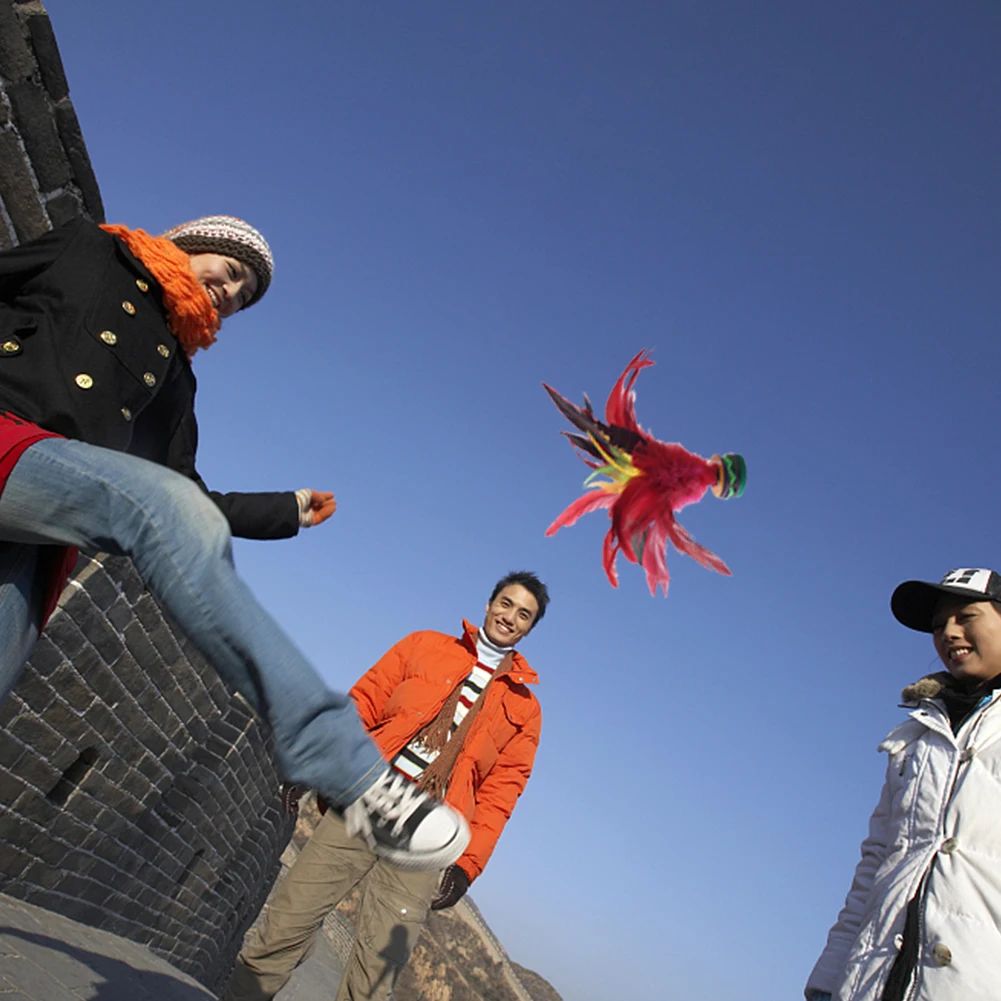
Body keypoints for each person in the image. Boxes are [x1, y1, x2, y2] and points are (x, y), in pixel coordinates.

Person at [0, 214, 467, 869]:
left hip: (41, 525)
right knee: (157, 507)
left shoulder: (173, 370)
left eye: (243, 296)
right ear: (195, 242)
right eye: (232, 272)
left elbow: (186, 498)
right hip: (8, 439)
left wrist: (284, 510)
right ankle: (346, 768)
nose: (230, 292)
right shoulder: (90, 248)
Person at [223, 570, 550, 1001]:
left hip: (427, 837)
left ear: (529, 629)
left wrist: (467, 866)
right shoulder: (425, 645)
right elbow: (364, 703)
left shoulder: (525, 710)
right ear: (489, 605)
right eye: (506, 604)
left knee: (374, 976)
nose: (510, 617)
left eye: (524, 614)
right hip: (365, 801)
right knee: (285, 926)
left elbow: (500, 795)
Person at [805, 567, 1001, 1001]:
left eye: (966, 616)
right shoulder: (916, 737)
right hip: (873, 982)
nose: (949, 633)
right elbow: (876, 862)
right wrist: (828, 980)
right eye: (939, 625)